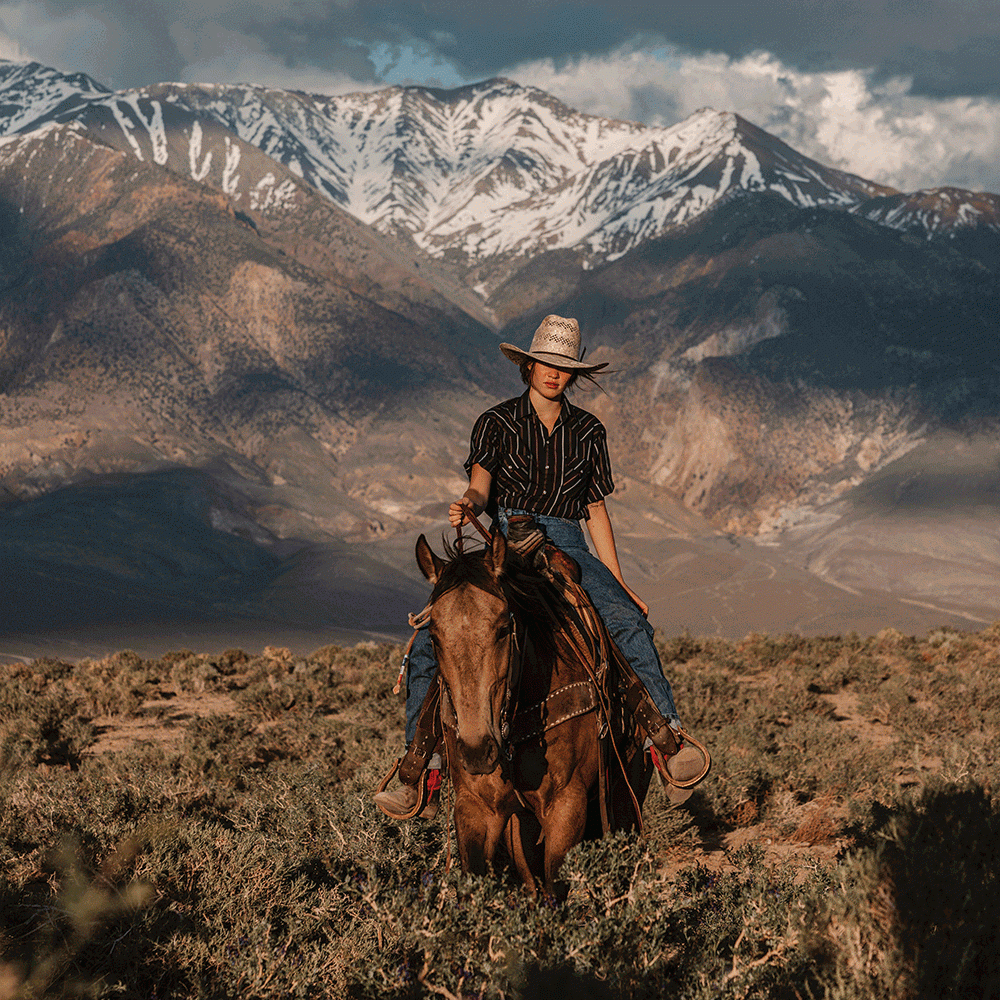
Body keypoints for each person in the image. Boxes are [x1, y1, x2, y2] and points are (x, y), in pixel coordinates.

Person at [375, 315, 705, 819]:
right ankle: (422, 765)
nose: (553, 373)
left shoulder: (590, 431)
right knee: (430, 638)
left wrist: (616, 582)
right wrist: (466, 503)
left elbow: (595, 509)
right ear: (528, 364)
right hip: (506, 542)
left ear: (574, 373)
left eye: (563, 367)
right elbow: (481, 488)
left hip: (568, 544)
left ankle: (667, 740)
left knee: (627, 623)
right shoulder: (496, 422)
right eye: (545, 363)